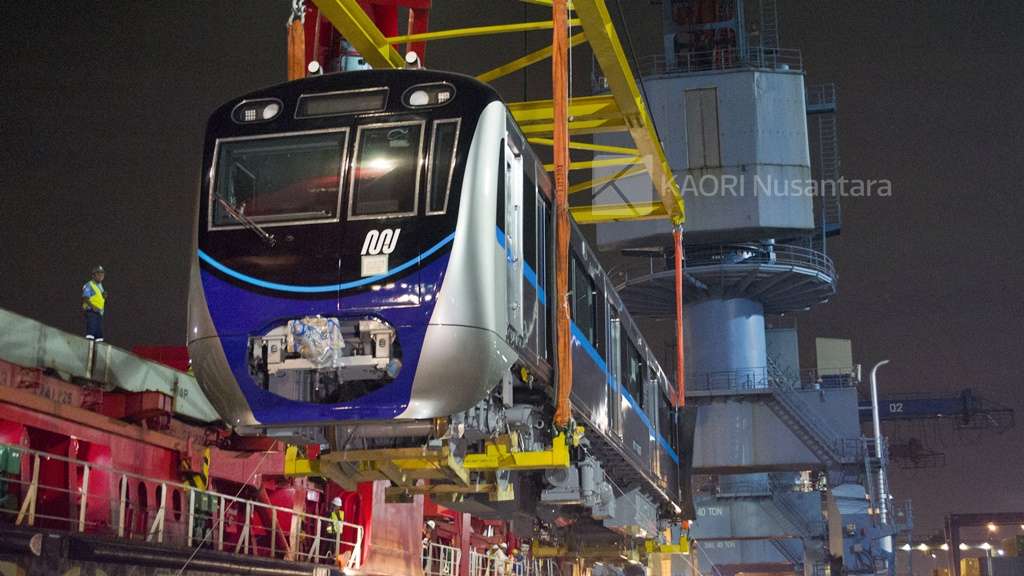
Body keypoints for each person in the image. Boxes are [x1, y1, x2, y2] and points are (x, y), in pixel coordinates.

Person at [81, 266, 107, 341]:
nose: (101, 276)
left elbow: (99, 299)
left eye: (102, 274)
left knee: (99, 333)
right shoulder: (89, 285)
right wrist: (93, 307)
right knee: (91, 330)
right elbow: (85, 298)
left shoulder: (100, 286)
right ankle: (89, 344)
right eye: (98, 274)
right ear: (93, 275)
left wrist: (104, 296)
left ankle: (99, 344)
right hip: (91, 311)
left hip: (99, 312)